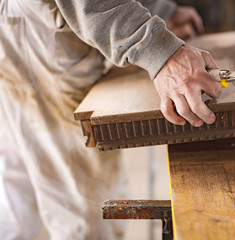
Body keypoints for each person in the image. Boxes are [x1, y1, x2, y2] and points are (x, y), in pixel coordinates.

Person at [0, 0, 221, 239]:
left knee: (16, 177)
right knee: (82, 203)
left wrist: (158, 10)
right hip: (38, 36)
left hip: (23, 25)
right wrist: (159, 49)